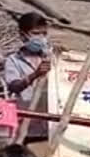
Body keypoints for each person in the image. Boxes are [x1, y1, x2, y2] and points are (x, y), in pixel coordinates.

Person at [3, 12, 53, 145]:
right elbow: (14, 86)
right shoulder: (13, 60)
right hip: (26, 126)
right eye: (36, 33)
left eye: (44, 34)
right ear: (23, 35)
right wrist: (34, 75)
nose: (41, 38)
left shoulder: (54, 57)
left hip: (51, 126)